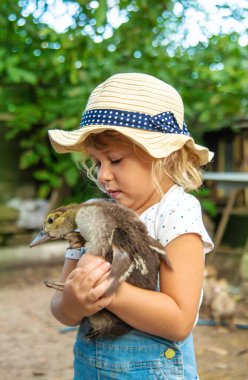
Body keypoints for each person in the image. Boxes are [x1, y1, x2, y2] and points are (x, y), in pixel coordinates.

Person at [48, 73, 214, 379]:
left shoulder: (175, 211)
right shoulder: (93, 214)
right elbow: (62, 309)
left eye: (115, 159)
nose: (102, 176)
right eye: (98, 163)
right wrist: (73, 300)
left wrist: (109, 292)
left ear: (162, 156)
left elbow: (179, 321)